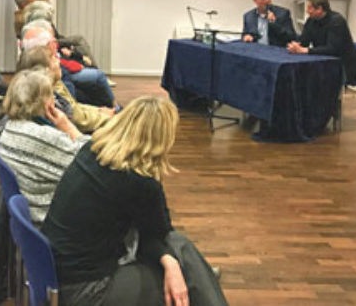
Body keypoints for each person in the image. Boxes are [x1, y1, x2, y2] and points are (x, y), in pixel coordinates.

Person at [42, 97, 227, 306]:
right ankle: (201, 280)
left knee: (179, 256)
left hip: (55, 273)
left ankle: (201, 278)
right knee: (180, 267)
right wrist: (173, 266)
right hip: (86, 290)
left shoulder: (92, 152)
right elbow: (157, 233)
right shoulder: (139, 182)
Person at [0, 68, 89, 224]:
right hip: (54, 220)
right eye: (51, 95)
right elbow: (91, 162)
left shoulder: (8, 128)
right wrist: (68, 127)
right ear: (44, 103)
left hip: (32, 215)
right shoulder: (45, 137)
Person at [18, 44, 113, 133]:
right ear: (43, 69)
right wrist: (107, 116)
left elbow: (74, 107)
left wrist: (99, 110)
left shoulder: (55, 83)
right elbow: (78, 120)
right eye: (53, 58)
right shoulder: (49, 99)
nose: (59, 61)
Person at [287, 0, 356, 83]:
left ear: (319, 9)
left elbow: (332, 49)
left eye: (309, 8)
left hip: (344, 66)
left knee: (312, 78)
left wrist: (306, 50)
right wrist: (296, 46)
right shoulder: (311, 21)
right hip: (323, 62)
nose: (307, 11)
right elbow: (304, 41)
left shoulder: (337, 21)